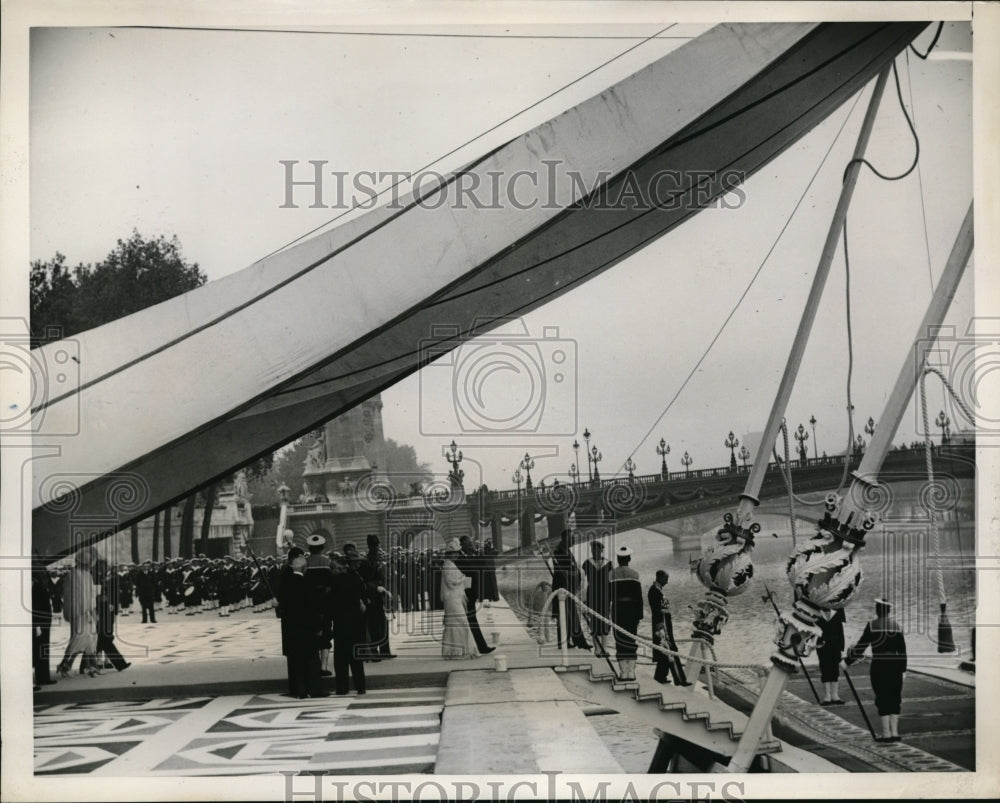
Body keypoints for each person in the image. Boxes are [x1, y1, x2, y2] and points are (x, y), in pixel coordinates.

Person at [846, 598, 908, 743]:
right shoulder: (897, 626)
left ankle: (886, 734)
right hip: (895, 666)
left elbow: (861, 646)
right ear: (889, 611)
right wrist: (903, 669)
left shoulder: (872, 625)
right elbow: (903, 651)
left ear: (877, 610)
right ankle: (895, 732)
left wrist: (847, 661)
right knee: (895, 697)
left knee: (882, 697)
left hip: (879, 665)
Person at [278, 553, 328, 699]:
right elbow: (312, 608)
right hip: (307, 629)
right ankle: (314, 689)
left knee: (297, 661)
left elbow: (283, 606)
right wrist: (318, 627)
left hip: (292, 630)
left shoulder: (286, 584)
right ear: (305, 568)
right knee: (312, 660)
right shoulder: (307, 584)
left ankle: (300, 690)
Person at [331, 544, 368, 695]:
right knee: (356, 657)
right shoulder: (356, 579)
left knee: (341, 657)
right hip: (355, 621)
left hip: (340, 622)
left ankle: (342, 687)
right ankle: (360, 686)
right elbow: (362, 597)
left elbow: (331, 602)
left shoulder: (335, 582)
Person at [56, 549, 99, 678]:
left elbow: (90, 596)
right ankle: (68, 664)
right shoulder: (72, 575)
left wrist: (92, 610)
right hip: (79, 613)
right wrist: (80, 611)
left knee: (91, 638)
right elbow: (71, 597)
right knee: (79, 638)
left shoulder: (87, 575)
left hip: (87, 612)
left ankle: (88, 665)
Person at [648, 570, 690, 686]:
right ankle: (680, 680)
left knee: (664, 654)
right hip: (662, 627)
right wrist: (661, 628)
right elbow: (657, 611)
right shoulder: (654, 591)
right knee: (671, 650)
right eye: (666, 579)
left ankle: (660, 677)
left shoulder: (658, 590)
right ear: (660, 578)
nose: (667, 581)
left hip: (665, 625)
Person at [454, 535, 495, 655]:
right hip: (465, 594)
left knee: (470, 620)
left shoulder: (469, 555)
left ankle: (479, 647)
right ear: (463, 545)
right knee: (470, 620)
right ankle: (480, 647)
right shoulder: (461, 557)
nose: (471, 545)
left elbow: (481, 563)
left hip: (471, 593)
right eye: (469, 543)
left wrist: (486, 550)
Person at [551, 529, 590, 650]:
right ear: (565, 539)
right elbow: (565, 571)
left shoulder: (565, 551)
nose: (573, 540)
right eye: (571, 538)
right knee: (564, 615)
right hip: (563, 590)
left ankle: (571, 641)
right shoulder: (559, 552)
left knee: (570, 615)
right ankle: (565, 642)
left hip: (569, 589)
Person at [440, 539, 477, 659]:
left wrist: (461, 578)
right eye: (454, 553)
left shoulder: (450, 564)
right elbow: (451, 583)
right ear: (449, 554)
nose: (456, 555)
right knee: (460, 622)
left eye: (457, 553)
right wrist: (463, 579)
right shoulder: (448, 565)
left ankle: (457, 650)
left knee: (456, 623)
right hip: (452, 599)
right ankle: (459, 650)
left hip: (454, 598)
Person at [610, 545, 643, 680]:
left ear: (618, 559)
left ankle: (623, 672)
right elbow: (638, 597)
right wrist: (639, 615)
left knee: (619, 638)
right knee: (631, 638)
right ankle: (631, 672)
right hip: (631, 610)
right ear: (629, 558)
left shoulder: (611, 575)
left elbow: (608, 595)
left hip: (617, 609)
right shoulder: (635, 574)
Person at [304, 531, 336, 674]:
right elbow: (333, 585)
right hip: (326, 605)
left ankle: (314, 666)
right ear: (322, 547)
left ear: (309, 548)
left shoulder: (304, 564)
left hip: (309, 606)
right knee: (326, 634)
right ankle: (324, 666)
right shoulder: (328, 563)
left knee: (311, 635)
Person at [95, 563, 131, 672]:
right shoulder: (96, 578)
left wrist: (114, 608)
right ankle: (104, 661)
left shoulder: (111, 578)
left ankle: (105, 661)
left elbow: (114, 595)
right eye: (103, 566)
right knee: (102, 638)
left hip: (108, 610)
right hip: (99, 611)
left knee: (104, 637)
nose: (105, 568)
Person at [582, 540, 613, 657]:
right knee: (594, 623)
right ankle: (597, 649)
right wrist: (583, 598)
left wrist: (611, 597)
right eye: (593, 549)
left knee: (605, 621)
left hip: (605, 597)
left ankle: (605, 649)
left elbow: (611, 582)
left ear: (601, 550)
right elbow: (583, 582)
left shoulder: (609, 564)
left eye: (597, 549)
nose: (594, 551)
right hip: (592, 597)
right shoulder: (586, 564)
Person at [32, 554, 57, 688]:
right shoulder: (37, 586)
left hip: (43, 619)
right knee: (41, 648)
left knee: (42, 648)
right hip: (41, 620)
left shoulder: (38, 585)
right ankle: (42, 676)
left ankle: (43, 676)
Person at [817, 607, 846, 705]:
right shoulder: (818, 615)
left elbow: (840, 632)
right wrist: (817, 643)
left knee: (835, 670)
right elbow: (815, 632)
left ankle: (835, 695)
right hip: (822, 647)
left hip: (835, 647)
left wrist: (841, 647)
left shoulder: (836, 614)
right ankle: (827, 696)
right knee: (825, 669)